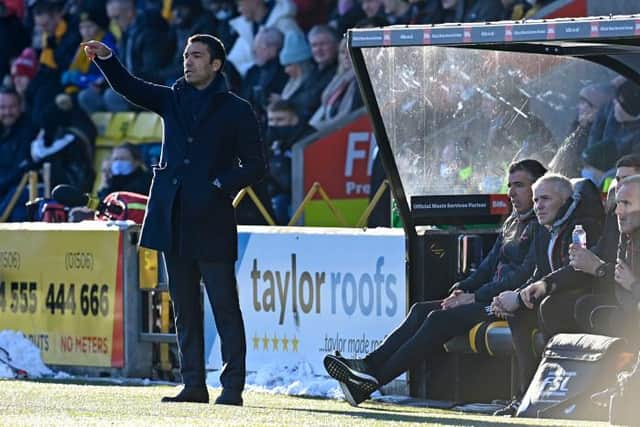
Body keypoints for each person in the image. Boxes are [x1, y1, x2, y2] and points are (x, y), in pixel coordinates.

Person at [84, 33, 267, 405]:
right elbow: (130, 87)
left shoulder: (237, 109)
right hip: (173, 217)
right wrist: (107, 59)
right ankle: (194, 385)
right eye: (186, 55)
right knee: (183, 308)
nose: (188, 61)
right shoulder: (173, 97)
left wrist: (219, 184)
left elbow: (256, 166)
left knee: (224, 308)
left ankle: (232, 388)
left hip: (212, 218)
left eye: (197, 56)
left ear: (216, 64)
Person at [323, 159, 547, 406]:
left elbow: (524, 275)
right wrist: (461, 289)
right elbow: (486, 267)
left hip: (508, 304)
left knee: (437, 319)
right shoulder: (513, 222)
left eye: (519, 185)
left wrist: (474, 297)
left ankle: (373, 381)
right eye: (509, 186)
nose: (511, 193)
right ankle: (367, 366)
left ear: (537, 188)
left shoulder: (541, 225)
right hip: (485, 299)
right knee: (421, 309)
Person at [490, 174, 604, 416]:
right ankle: (524, 398)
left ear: (565, 201)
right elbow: (538, 274)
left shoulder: (583, 227)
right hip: (552, 300)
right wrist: (514, 297)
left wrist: (527, 295)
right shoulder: (544, 231)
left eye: (545, 199)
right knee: (517, 314)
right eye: (535, 200)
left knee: (548, 307)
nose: (538, 206)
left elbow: (578, 273)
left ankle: (556, 396)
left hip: (581, 302)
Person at [0, 87, 37, 221]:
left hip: (17, 190)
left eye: (12, 107)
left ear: (21, 106)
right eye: (2, 107)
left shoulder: (29, 131)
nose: (7, 112)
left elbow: (23, 169)